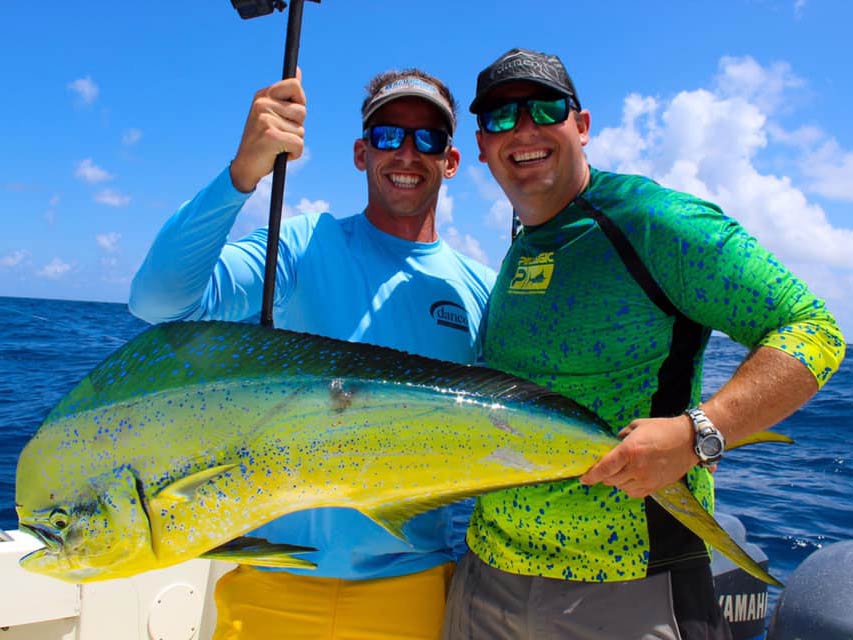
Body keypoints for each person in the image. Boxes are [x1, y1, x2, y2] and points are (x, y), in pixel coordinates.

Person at [442, 48, 846, 640]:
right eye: (501, 117)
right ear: (481, 146)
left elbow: (813, 326)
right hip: (487, 576)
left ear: (581, 125)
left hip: (630, 586)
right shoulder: (521, 249)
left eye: (545, 108)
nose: (523, 129)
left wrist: (697, 433)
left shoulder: (651, 220)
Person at [129, 68, 495, 639]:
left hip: (415, 589)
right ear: (360, 152)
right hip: (275, 577)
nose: (406, 151)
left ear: (450, 160)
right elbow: (160, 302)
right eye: (386, 135)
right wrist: (244, 170)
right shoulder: (302, 245)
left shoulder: (480, 291)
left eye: (427, 138)